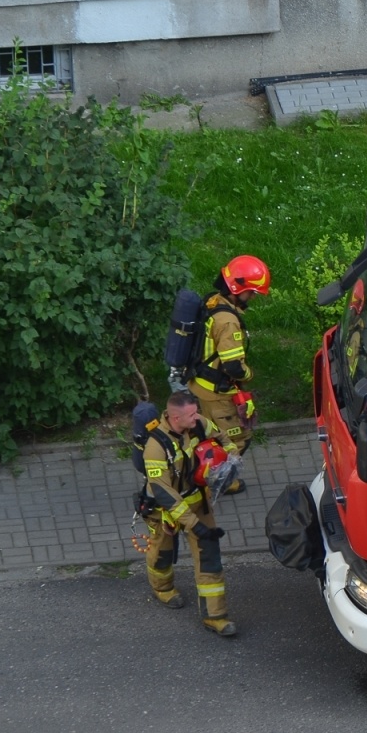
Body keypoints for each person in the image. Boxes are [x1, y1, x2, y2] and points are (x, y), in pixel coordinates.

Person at [141, 391, 239, 637]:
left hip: (197, 503)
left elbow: (225, 440)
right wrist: (193, 524)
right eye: (192, 414)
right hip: (165, 511)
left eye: (196, 412)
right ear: (175, 417)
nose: (198, 417)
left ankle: (215, 617)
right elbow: (164, 494)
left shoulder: (199, 424)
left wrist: (229, 460)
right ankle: (163, 588)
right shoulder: (155, 447)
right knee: (162, 554)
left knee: (210, 556)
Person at [189, 254, 270, 492]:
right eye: (252, 292)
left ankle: (196, 471)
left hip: (200, 385)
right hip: (217, 393)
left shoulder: (213, 302)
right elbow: (233, 366)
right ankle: (222, 481)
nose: (253, 297)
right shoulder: (228, 322)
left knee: (205, 433)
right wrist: (248, 375)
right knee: (237, 438)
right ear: (237, 288)